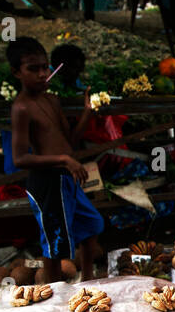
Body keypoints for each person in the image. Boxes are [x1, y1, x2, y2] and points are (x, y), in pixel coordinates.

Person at [7, 37, 104, 283]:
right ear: (16, 72)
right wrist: (63, 160)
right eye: (33, 69)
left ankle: (89, 280)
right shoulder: (21, 108)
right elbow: (20, 158)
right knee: (55, 242)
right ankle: (55, 294)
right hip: (47, 181)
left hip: (66, 178)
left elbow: (69, 140)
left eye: (44, 67)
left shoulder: (51, 100)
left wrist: (86, 113)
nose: (42, 74)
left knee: (92, 223)